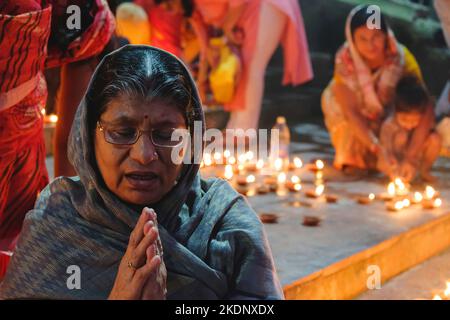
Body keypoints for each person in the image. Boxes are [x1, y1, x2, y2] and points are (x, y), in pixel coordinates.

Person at [0, 45, 284, 300]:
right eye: (122, 133)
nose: (144, 155)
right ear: (88, 136)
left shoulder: (225, 224)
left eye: (166, 134)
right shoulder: (56, 223)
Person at [321, 4, 434, 177]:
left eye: (376, 37)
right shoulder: (345, 61)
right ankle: (358, 158)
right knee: (333, 97)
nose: (370, 45)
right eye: (363, 39)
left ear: (386, 36)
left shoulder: (402, 60)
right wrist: (377, 148)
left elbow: (424, 107)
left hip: (392, 117)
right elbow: (351, 112)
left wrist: (410, 156)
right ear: (352, 39)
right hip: (358, 113)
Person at [193, 0, 313, 131]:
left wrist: (227, 27)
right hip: (244, 15)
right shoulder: (189, 10)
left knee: (252, 67)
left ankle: (243, 131)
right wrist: (200, 84)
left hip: (265, 5)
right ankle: (236, 129)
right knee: (244, 68)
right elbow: (206, 50)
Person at [378, 76, 441, 182]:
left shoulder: (422, 127)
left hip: (416, 160)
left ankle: (423, 170)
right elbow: (384, 150)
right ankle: (396, 175)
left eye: (414, 121)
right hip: (394, 163)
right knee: (401, 136)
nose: (409, 124)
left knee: (435, 138)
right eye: (404, 119)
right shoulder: (389, 126)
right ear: (395, 112)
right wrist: (390, 160)